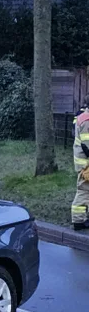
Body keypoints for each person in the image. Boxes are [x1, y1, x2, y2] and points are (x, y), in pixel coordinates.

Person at [72, 98, 89, 230]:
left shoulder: (83, 117)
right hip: (86, 164)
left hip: (83, 162)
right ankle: (78, 221)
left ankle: (81, 219)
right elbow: (87, 145)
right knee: (83, 191)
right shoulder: (87, 121)